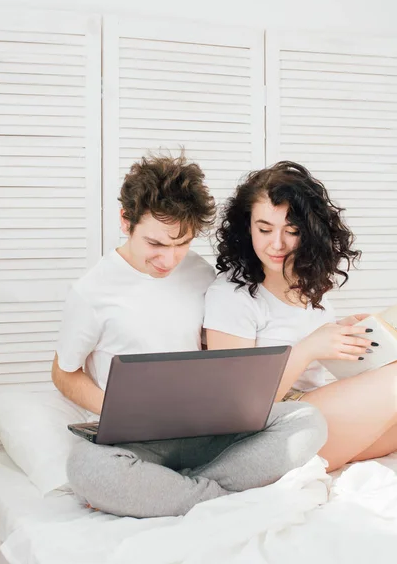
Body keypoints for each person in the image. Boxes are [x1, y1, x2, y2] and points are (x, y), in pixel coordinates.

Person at [52, 153, 327, 518]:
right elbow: (63, 372)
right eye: (156, 244)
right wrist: (121, 412)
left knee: (307, 421)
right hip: (137, 439)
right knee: (87, 466)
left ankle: (177, 490)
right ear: (125, 221)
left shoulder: (199, 272)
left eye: (182, 243)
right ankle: (217, 493)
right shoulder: (91, 293)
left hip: (208, 431)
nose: (169, 259)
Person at [204, 160, 397, 473]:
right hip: (264, 433)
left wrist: (346, 339)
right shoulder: (232, 294)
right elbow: (234, 410)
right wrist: (309, 348)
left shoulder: (308, 286)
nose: (276, 244)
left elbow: (318, 372)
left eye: (291, 231)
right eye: (264, 229)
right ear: (246, 226)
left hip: (310, 412)